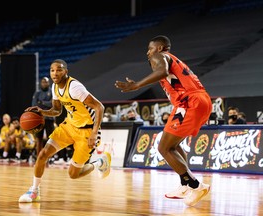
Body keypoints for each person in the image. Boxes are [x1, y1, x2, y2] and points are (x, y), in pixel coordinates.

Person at [115, 35, 212, 207]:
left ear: (159, 48)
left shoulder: (159, 56)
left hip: (189, 102)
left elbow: (162, 72)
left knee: (164, 147)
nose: (148, 53)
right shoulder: (175, 59)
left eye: (150, 49)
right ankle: (184, 184)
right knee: (174, 145)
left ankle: (195, 185)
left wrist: (137, 85)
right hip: (201, 100)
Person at [18, 59, 111, 203]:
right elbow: (56, 110)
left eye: (59, 70)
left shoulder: (75, 88)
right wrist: (42, 112)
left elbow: (99, 107)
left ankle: (99, 163)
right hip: (69, 126)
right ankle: (34, 191)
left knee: (73, 174)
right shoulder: (55, 87)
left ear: (66, 72)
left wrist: (94, 133)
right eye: (52, 70)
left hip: (86, 131)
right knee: (42, 154)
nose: (55, 73)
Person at [31, 77, 56, 157]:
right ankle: (39, 156)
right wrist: (46, 103)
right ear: (40, 83)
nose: (44, 83)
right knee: (39, 138)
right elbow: (34, 105)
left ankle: (51, 156)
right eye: (43, 82)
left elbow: (52, 104)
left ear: (49, 83)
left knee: (51, 139)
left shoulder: (52, 92)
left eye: (46, 82)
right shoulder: (37, 93)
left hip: (49, 118)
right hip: (39, 119)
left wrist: (41, 102)